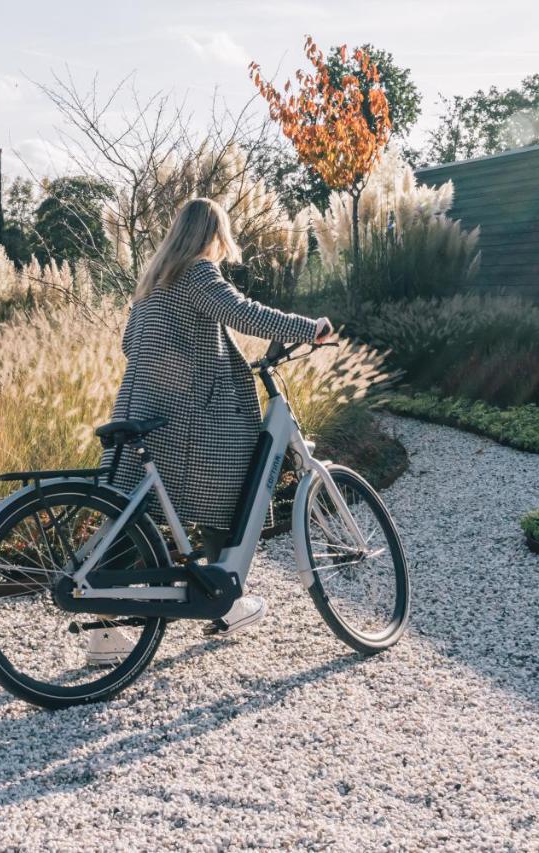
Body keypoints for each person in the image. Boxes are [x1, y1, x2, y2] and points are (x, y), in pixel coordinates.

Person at [87, 198, 332, 664]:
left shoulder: (151, 285)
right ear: (211, 236)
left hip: (142, 410)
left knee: (131, 515)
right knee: (234, 488)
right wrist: (309, 327)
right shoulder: (196, 273)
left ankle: (106, 635)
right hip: (185, 420)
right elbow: (246, 314)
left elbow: (130, 344)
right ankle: (229, 600)